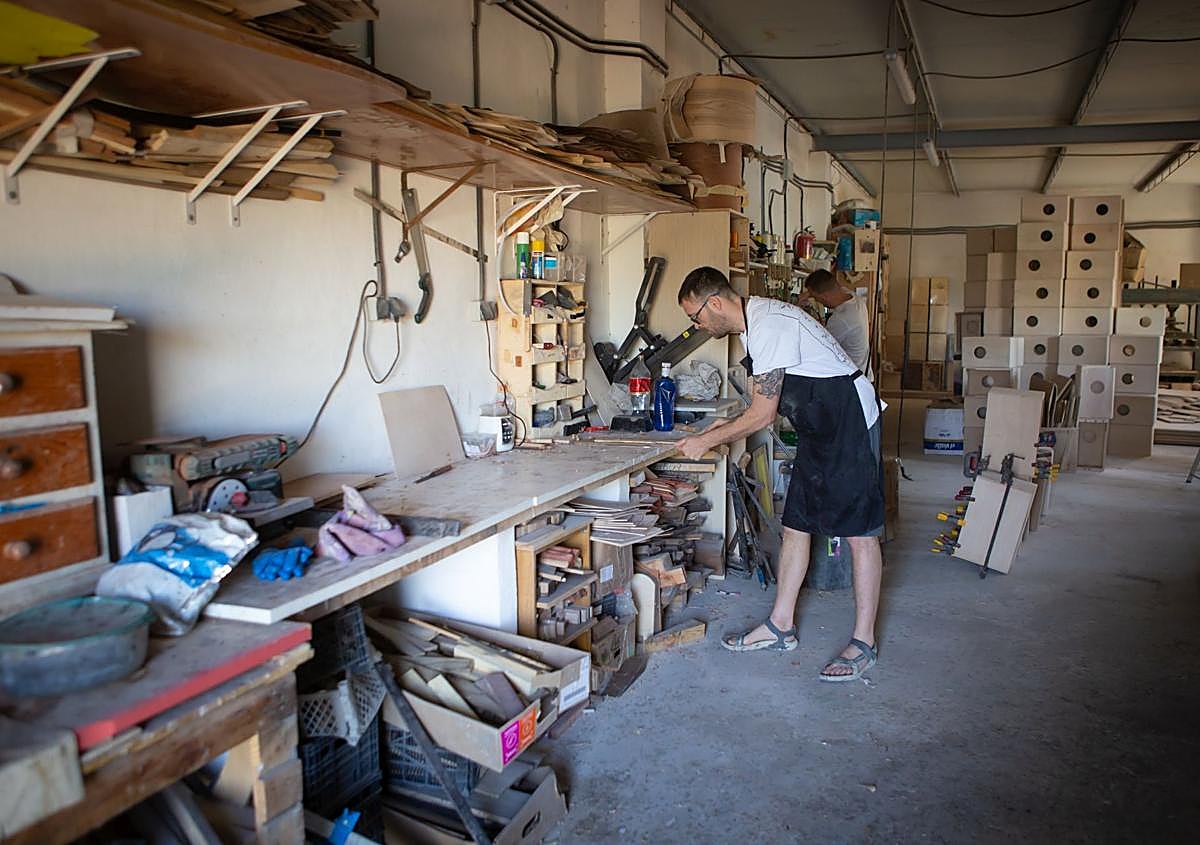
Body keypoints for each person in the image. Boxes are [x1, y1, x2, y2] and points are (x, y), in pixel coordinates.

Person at [675, 266, 884, 682]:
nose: (696, 325)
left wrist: (707, 443)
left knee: (860, 533)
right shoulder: (755, 326)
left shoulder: (768, 324)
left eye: (695, 316)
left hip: (849, 423)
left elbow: (763, 413)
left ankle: (864, 641)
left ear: (714, 303)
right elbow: (760, 402)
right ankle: (780, 626)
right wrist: (719, 428)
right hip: (818, 427)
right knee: (797, 524)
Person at [801, 268, 872, 379]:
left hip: (853, 380)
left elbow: (818, 348)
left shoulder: (841, 319)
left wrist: (798, 306)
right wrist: (812, 292)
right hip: (863, 373)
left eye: (816, 298)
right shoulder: (854, 298)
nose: (817, 301)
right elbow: (833, 287)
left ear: (825, 296)